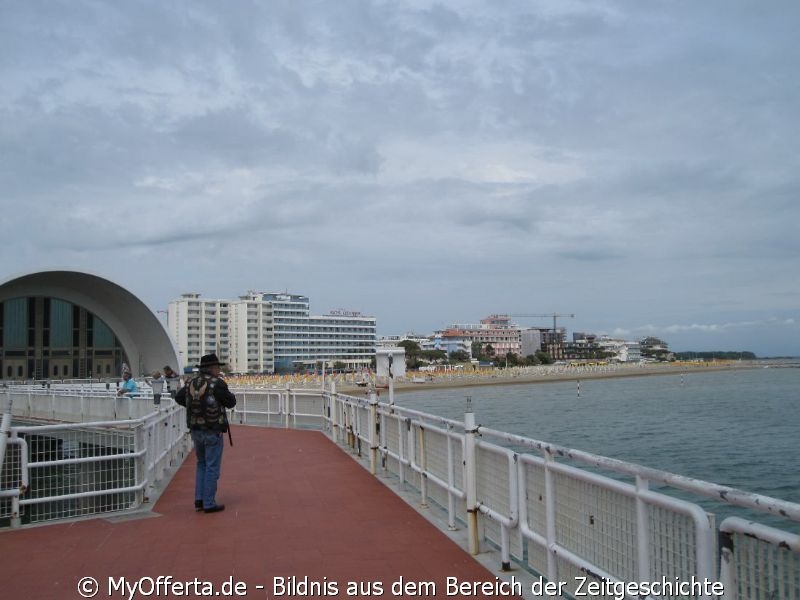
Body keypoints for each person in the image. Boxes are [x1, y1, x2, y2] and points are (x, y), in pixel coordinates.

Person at [174, 353, 236, 513]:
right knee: (212, 466)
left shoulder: (190, 383)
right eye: (217, 367)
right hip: (212, 430)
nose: (219, 370)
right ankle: (209, 502)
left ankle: (199, 499)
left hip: (195, 430)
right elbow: (231, 402)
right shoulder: (217, 384)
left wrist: (195, 406)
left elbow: (179, 397)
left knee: (201, 464)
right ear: (212, 368)